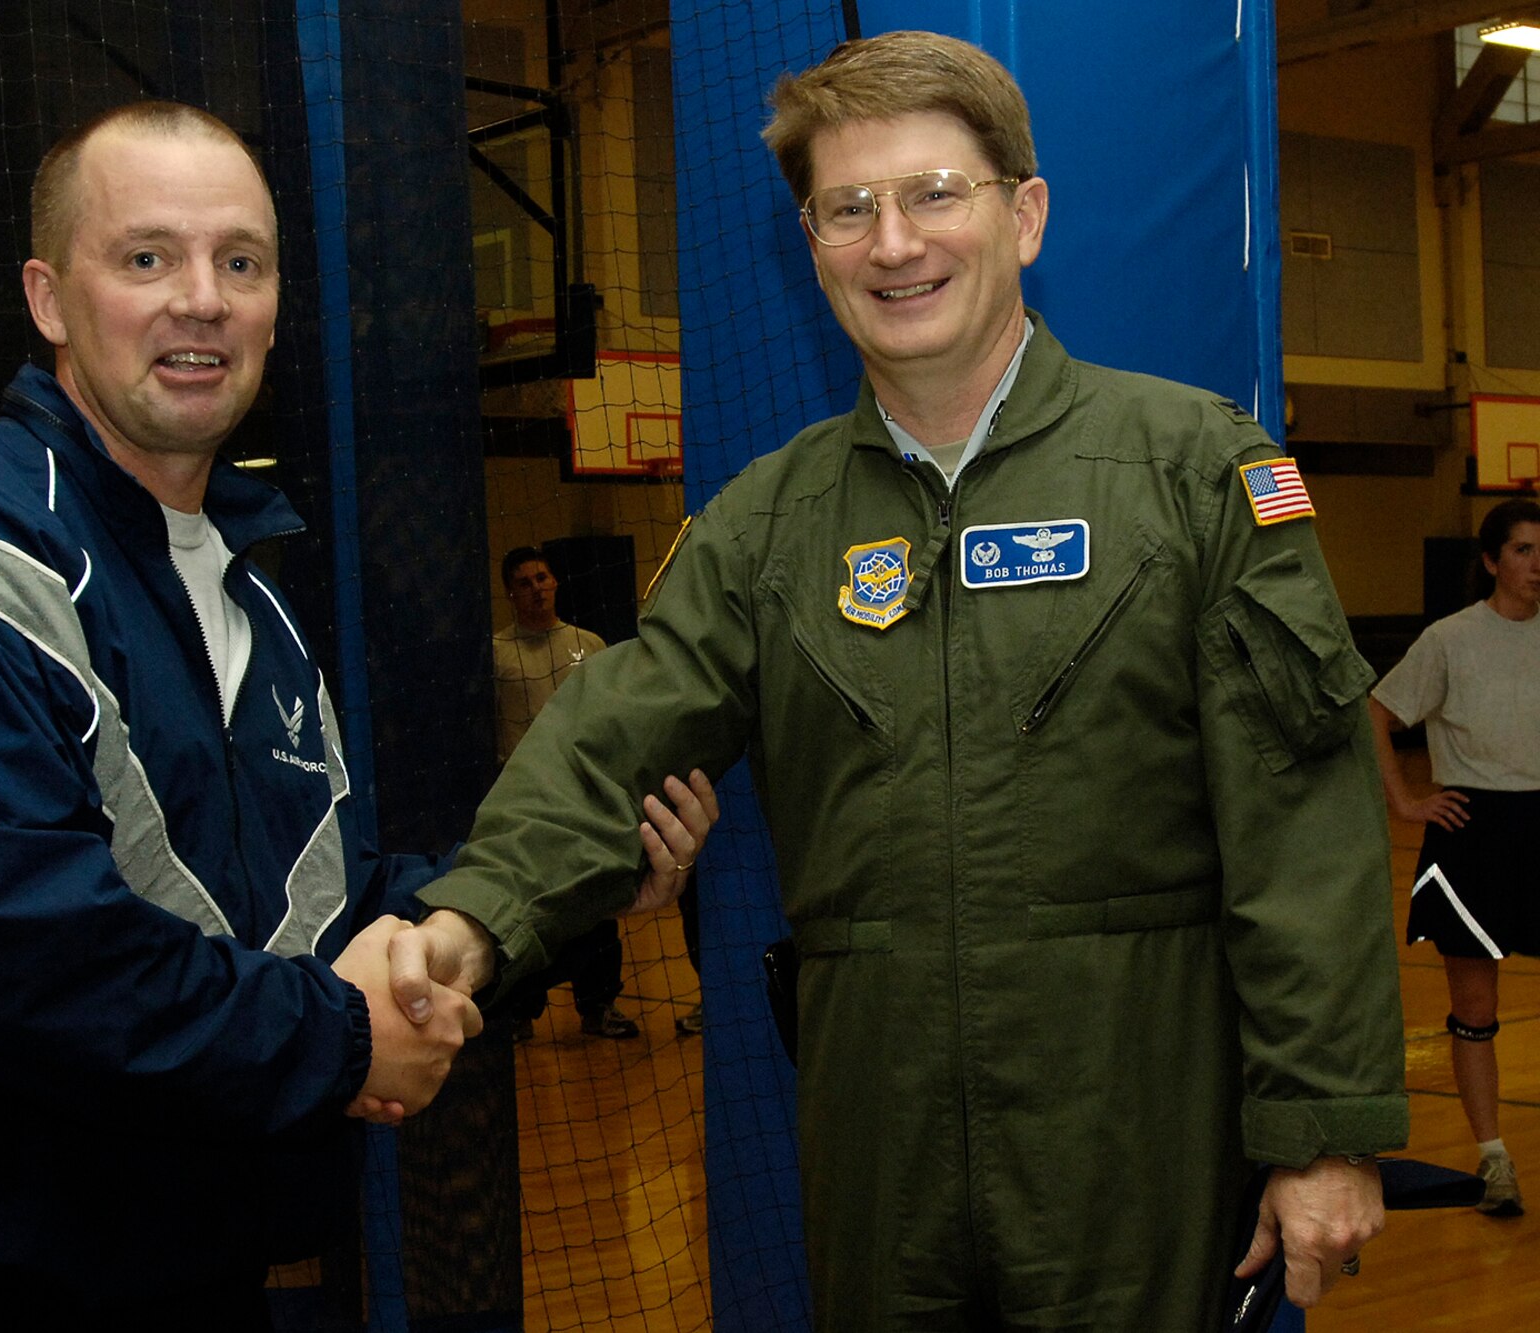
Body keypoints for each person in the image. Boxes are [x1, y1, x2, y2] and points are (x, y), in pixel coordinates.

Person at [392, 32, 1406, 1330]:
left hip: (1135, 1136)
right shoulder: (767, 526)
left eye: (935, 193)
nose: (893, 243)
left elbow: (1301, 824)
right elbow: (617, 725)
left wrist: (1324, 1131)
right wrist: (472, 923)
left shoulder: (1193, 473)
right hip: (879, 1149)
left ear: (1024, 215)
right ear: (809, 242)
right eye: (847, 208)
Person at [0, 101, 711, 1330]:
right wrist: (339, 1038)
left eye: (241, 262)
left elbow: (305, 909)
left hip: (181, 1273)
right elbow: (20, 962)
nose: (202, 299)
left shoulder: (242, 597)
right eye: (147, 257)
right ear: (51, 299)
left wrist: (552, 895)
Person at [1369, 497, 1540, 1219]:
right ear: (1492, 561)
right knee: (1474, 1006)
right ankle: (1494, 1159)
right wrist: (1406, 801)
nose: (1538, 564)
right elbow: (1374, 713)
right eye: (1526, 549)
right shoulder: (1449, 639)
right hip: (1472, 829)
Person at [493, 546, 637, 1038]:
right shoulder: (496, 653)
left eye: (543, 577)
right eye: (525, 582)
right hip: (525, 803)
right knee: (526, 910)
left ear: (555, 582)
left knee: (595, 908)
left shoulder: (590, 644)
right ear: (511, 593)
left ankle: (598, 1007)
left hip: (583, 799)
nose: (537, 588)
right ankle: (520, 1012)